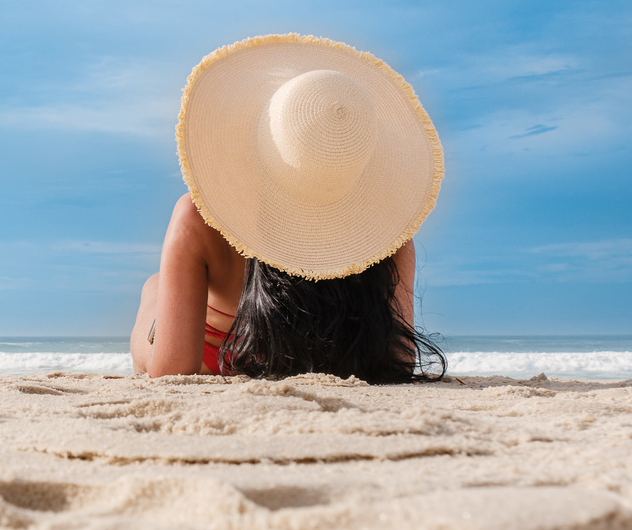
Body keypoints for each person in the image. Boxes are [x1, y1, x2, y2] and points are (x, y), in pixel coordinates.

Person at [131, 33, 446, 383]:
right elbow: (398, 359)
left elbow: (171, 371)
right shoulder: (391, 230)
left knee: (154, 288)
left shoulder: (200, 218)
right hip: (341, 359)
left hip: (223, 358)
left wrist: (157, 329)